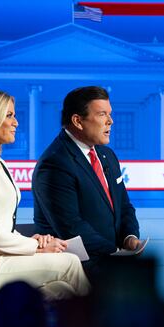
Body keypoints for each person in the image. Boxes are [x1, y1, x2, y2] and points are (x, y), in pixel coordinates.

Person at [0, 88, 90, 298]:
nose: (16, 122)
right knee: (69, 263)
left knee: (62, 291)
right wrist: (36, 247)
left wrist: (34, 241)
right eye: (9, 116)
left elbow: (0, 226)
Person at [32, 86, 141, 276]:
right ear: (78, 121)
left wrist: (129, 238)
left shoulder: (107, 155)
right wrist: (116, 254)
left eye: (110, 114)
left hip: (109, 259)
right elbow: (71, 227)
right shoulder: (55, 163)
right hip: (78, 266)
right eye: (102, 114)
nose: (110, 121)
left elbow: (124, 206)